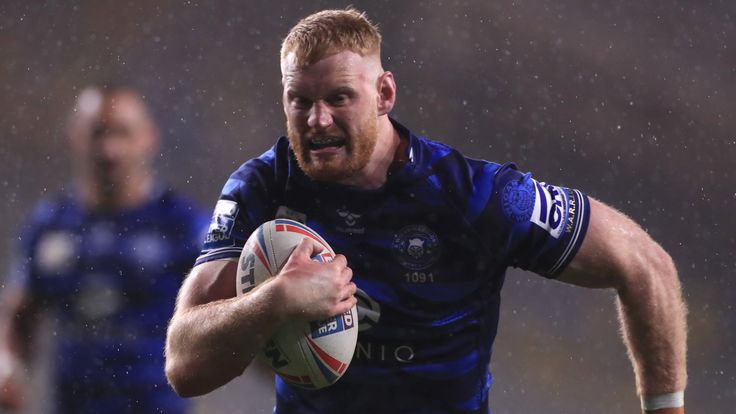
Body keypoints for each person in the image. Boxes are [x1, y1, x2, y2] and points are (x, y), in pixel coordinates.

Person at [164, 8, 687, 414]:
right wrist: (275, 300)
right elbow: (184, 364)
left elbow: (646, 266)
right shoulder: (262, 187)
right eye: (299, 101)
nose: (317, 121)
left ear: (384, 93)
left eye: (339, 97)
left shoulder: (472, 194)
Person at [0, 84, 209, 413]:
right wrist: (8, 368)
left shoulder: (183, 227)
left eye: (122, 134)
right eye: (97, 133)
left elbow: (229, 315)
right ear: (74, 137)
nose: (109, 149)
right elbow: (21, 317)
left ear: (148, 138)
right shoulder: (48, 227)